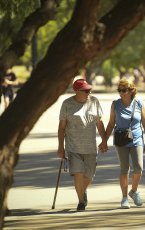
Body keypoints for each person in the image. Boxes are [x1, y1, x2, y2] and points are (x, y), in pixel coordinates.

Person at [57, 79, 108, 212]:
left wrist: (104, 140)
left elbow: (99, 123)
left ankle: (82, 190)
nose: (89, 92)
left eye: (89, 90)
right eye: (86, 91)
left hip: (90, 147)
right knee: (78, 173)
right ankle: (81, 201)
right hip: (73, 147)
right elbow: (62, 127)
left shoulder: (94, 101)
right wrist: (61, 147)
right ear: (77, 91)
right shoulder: (67, 104)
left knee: (89, 175)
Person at [105, 79, 145, 209]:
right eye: (119, 90)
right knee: (124, 169)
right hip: (120, 140)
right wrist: (104, 140)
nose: (121, 93)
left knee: (138, 168)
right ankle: (124, 198)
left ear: (131, 91)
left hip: (136, 139)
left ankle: (134, 191)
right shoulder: (115, 104)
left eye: (124, 90)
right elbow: (110, 123)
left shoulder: (139, 104)